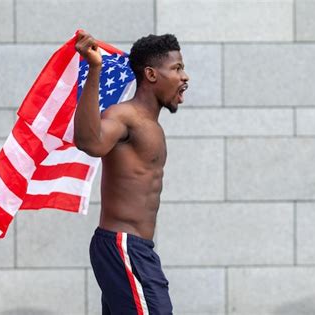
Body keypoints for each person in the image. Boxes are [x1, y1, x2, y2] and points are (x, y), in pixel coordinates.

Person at [74, 30, 189, 315]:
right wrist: (95, 69)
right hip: (123, 246)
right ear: (151, 74)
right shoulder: (124, 116)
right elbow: (90, 142)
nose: (185, 76)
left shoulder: (151, 125)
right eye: (176, 68)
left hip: (135, 248)